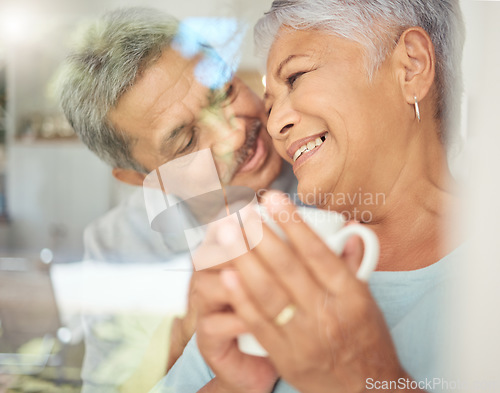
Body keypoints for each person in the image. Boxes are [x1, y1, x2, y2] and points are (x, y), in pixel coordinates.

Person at [154, 0, 466, 392]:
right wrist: (235, 386)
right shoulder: (276, 255)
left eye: (296, 76)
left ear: (411, 66)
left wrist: (364, 376)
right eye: (268, 104)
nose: (275, 123)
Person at [57, 7, 296, 393]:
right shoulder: (118, 244)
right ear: (142, 178)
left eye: (224, 92)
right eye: (186, 141)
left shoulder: (322, 159)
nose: (233, 136)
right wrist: (182, 337)